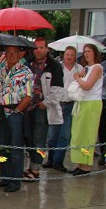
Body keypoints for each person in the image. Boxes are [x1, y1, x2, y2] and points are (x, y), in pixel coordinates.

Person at [0, 46, 33, 193]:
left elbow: (28, 96)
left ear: (20, 54)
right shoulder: (2, 71)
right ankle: (5, 177)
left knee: (16, 148)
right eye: (8, 53)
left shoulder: (26, 71)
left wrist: (17, 111)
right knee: (4, 146)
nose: (11, 56)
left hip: (16, 112)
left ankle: (15, 181)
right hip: (2, 111)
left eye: (14, 53)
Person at [24, 37, 64, 180]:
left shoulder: (54, 66)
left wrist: (45, 103)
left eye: (41, 47)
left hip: (41, 107)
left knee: (39, 140)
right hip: (27, 107)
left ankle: (35, 170)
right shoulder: (27, 63)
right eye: (36, 47)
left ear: (47, 49)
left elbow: (58, 89)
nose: (38, 50)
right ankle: (28, 167)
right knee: (28, 139)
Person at [45, 46, 83, 173]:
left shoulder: (80, 69)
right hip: (57, 103)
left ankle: (58, 161)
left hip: (70, 104)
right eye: (67, 54)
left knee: (65, 135)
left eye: (72, 55)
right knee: (52, 134)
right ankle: (50, 159)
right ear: (63, 55)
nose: (70, 57)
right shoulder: (57, 67)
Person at [69, 44, 104, 175]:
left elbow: (87, 86)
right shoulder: (86, 68)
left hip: (91, 103)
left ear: (94, 53)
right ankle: (80, 163)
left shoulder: (97, 67)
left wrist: (77, 77)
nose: (86, 54)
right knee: (78, 134)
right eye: (84, 52)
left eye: (89, 51)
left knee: (87, 134)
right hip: (82, 102)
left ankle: (86, 166)